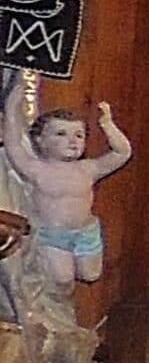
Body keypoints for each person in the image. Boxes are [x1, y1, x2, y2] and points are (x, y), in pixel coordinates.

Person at [2, 96, 131, 286]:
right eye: (61, 134)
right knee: (61, 279)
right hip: (53, 235)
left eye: (79, 135)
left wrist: (108, 125)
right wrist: (12, 108)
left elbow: (122, 153)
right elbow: (12, 144)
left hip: (86, 233)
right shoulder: (36, 169)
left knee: (91, 274)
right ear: (40, 140)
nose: (72, 141)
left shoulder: (88, 168)